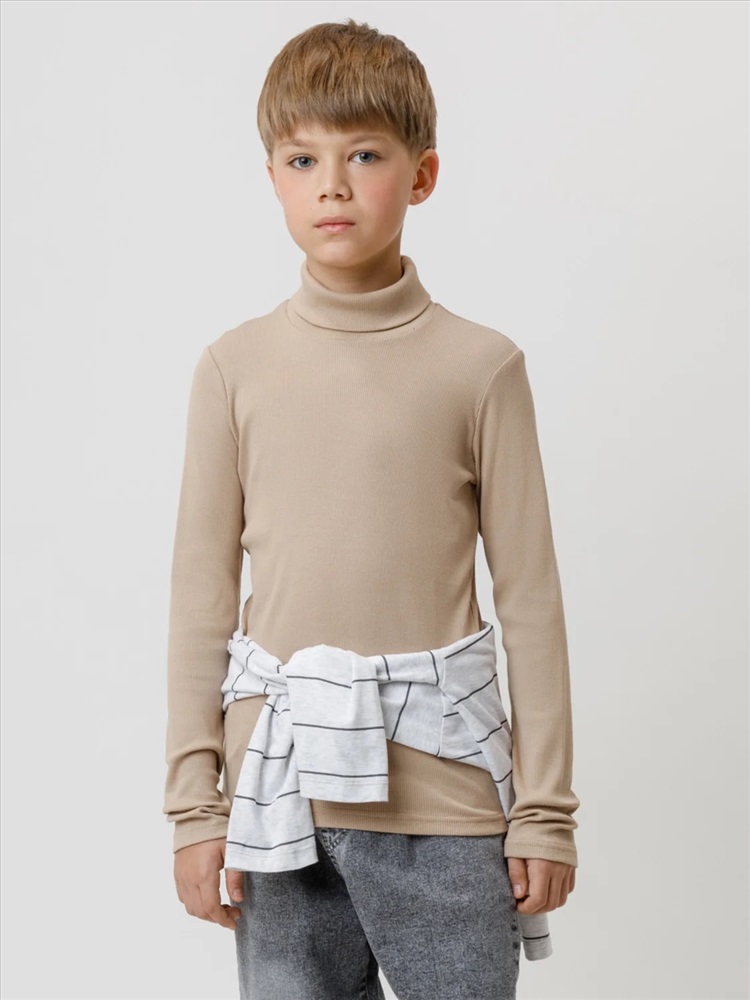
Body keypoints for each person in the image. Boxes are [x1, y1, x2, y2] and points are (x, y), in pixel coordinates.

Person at [163, 16, 580, 1000]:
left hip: (446, 800)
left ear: (422, 174)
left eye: (363, 155)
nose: (332, 186)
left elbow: (530, 600)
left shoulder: (482, 367)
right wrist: (195, 807)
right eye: (302, 159)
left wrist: (546, 810)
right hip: (280, 804)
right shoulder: (232, 368)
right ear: (274, 178)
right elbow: (200, 600)